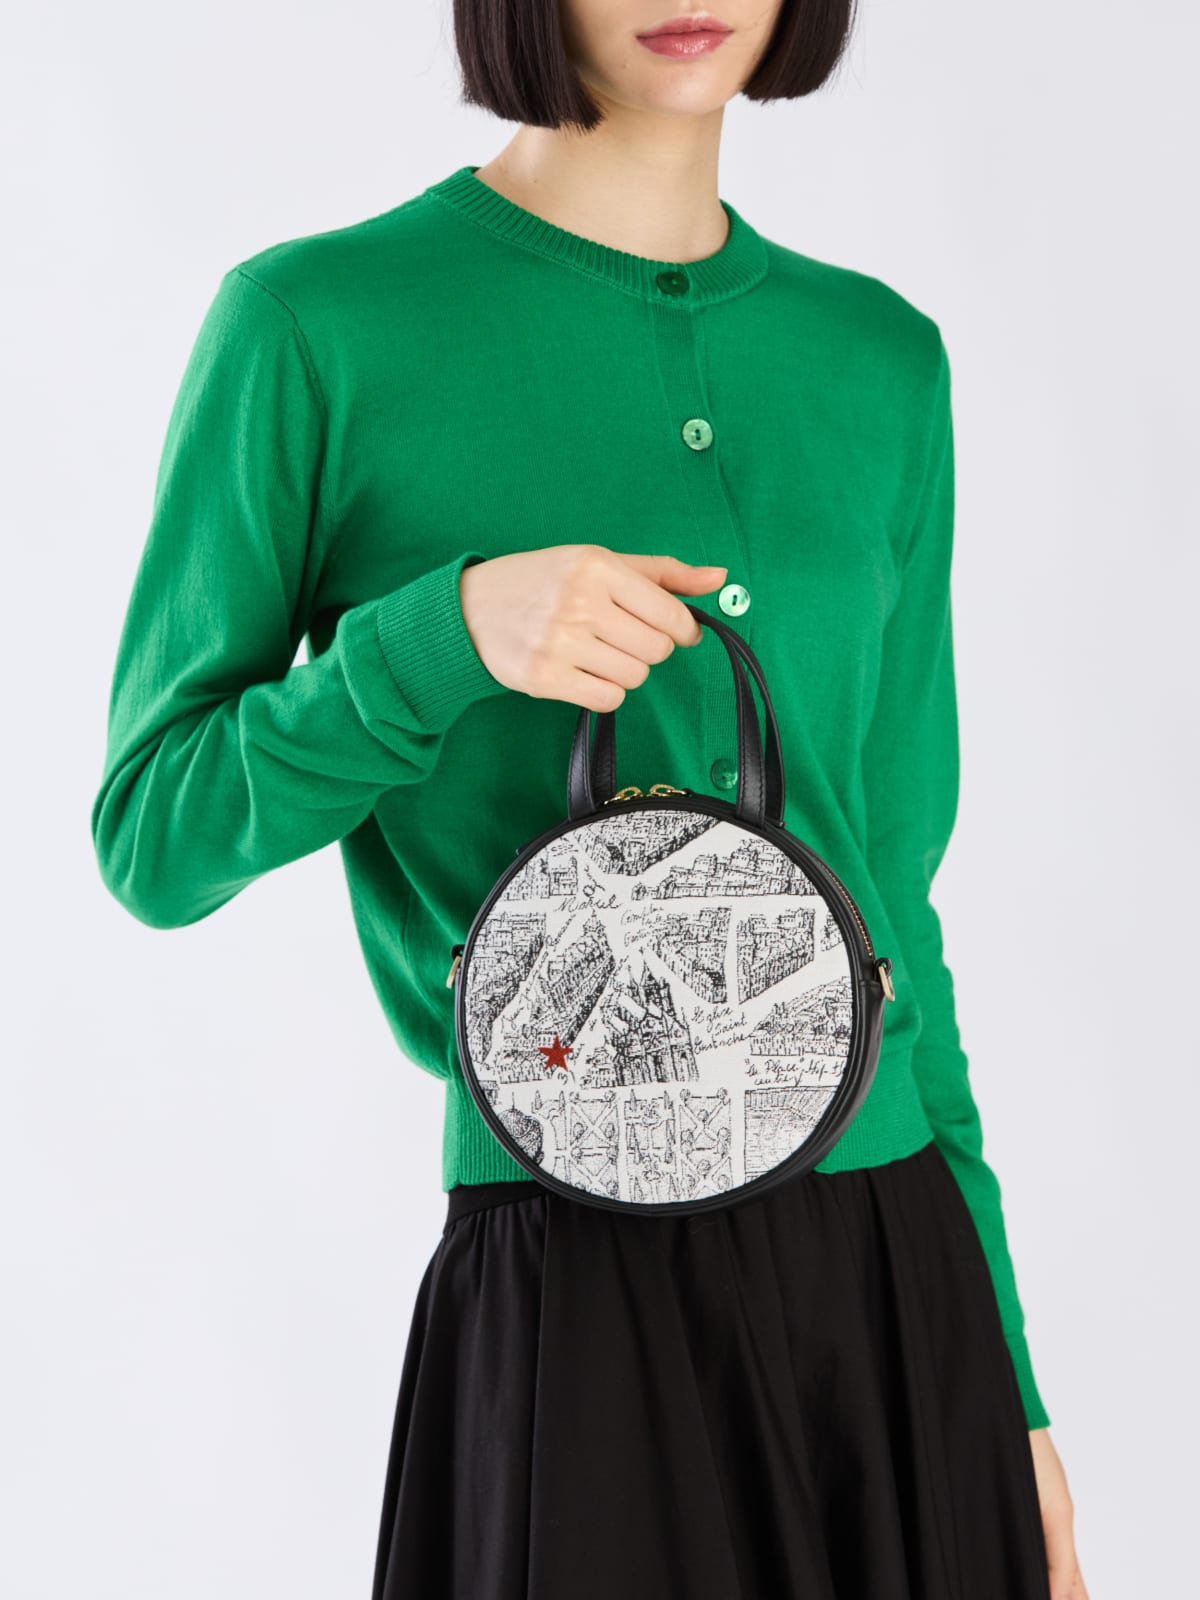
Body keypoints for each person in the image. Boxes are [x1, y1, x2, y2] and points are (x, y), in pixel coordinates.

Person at [90, 2, 1089, 1596]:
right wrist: (444, 636)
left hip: (894, 1281)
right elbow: (154, 832)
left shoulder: (881, 359)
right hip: (576, 1278)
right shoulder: (315, 325)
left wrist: (1015, 1395)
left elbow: (897, 908)